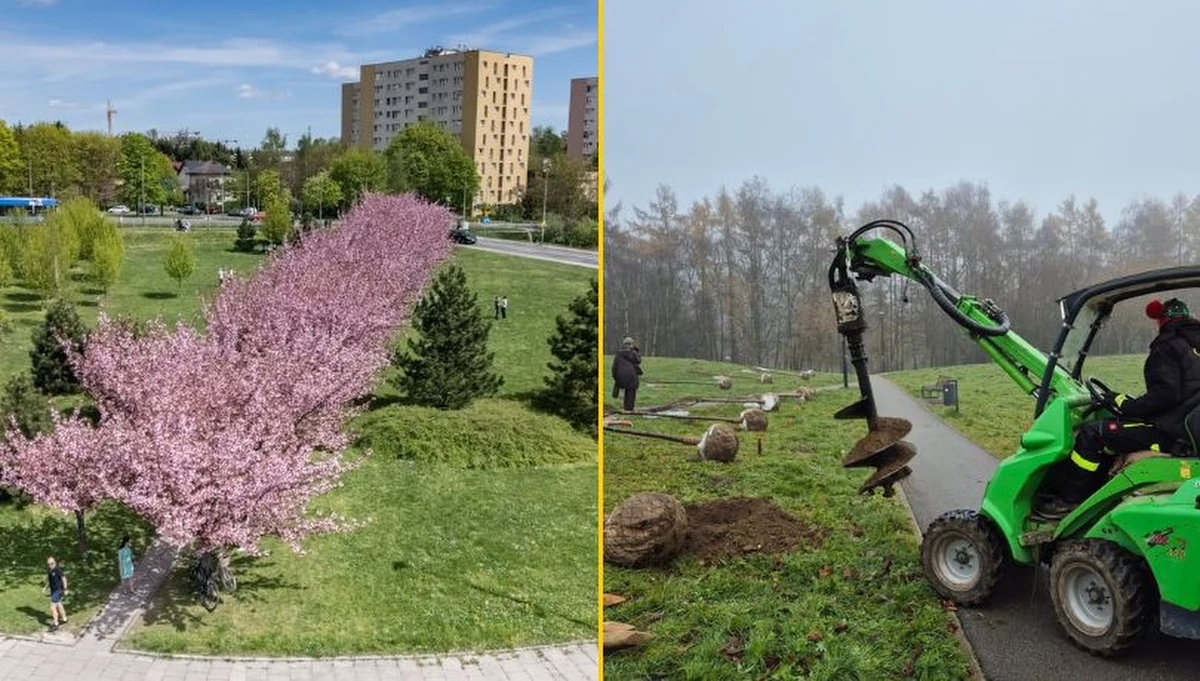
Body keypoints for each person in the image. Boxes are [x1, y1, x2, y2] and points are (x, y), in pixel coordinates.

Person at [1035, 298, 1200, 520]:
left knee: (1094, 433)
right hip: (1188, 429)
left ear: (1161, 320)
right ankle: (1099, 492)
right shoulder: (1193, 345)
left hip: (1174, 434)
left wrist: (1124, 405)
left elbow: (1165, 396)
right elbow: (1180, 394)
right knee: (1114, 431)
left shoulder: (1167, 345)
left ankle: (1069, 501)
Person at [611, 337, 644, 411]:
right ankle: (629, 408)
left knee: (627, 390)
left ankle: (626, 407)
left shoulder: (618, 353)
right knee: (631, 391)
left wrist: (616, 378)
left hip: (621, 376)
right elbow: (638, 361)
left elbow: (614, 367)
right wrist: (637, 351)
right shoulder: (633, 353)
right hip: (632, 376)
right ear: (631, 344)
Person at [44, 556, 68, 631]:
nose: (50, 565)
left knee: (52, 606)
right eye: (48, 564)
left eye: (52, 563)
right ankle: (64, 619)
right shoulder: (50, 571)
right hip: (53, 591)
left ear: (55, 563)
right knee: (59, 604)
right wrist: (46, 587)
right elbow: (49, 580)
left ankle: (55, 623)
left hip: (58, 590)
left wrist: (65, 589)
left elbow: (64, 579)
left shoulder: (58, 570)